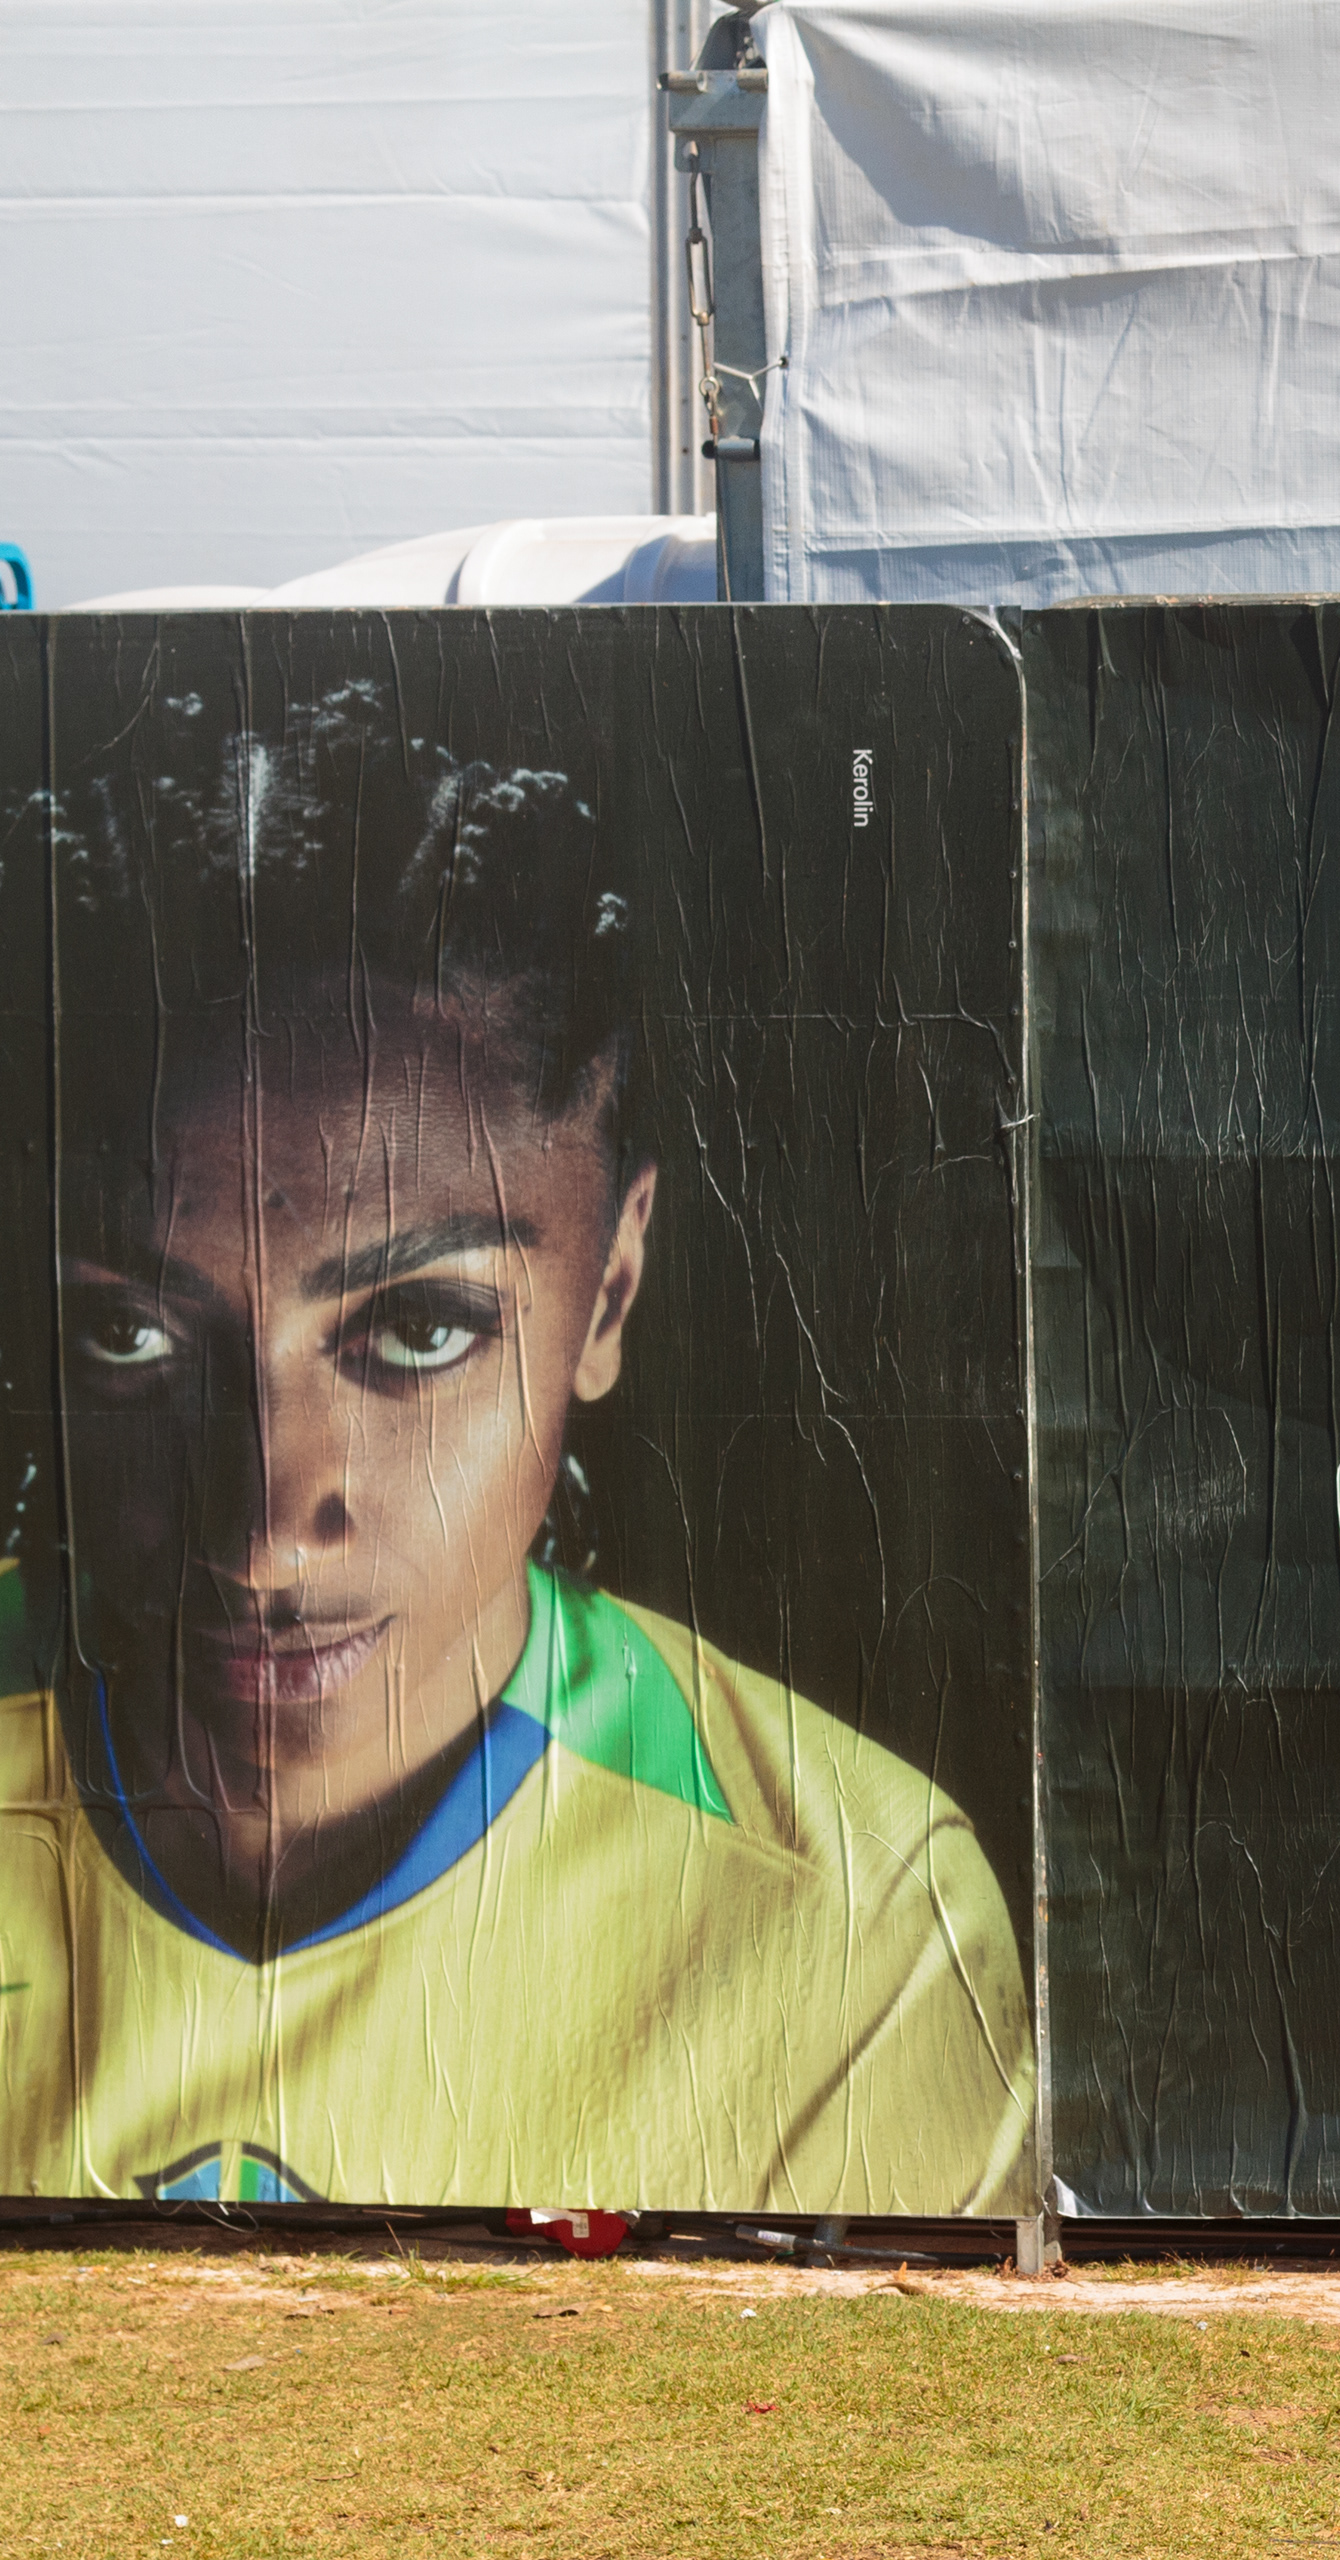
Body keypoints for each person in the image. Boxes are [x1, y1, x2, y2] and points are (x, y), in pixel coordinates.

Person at [0, 681, 1032, 2213]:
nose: (262, 1530)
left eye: (418, 1328)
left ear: (609, 1289)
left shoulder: (855, 1926)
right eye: (131, 1337)